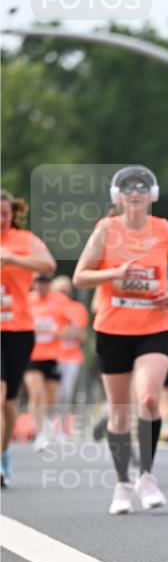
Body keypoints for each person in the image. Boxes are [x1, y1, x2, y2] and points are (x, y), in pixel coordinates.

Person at [73, 165, 168, 514]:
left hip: (155, 325)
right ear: (118, 197)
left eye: (141, 187)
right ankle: (122, 483)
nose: (134, 192)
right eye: (127, 187)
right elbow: (80, 277)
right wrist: (115, 273)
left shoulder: (163, 229)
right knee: (121, 412)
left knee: (150, 397)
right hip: (113, 329)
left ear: (151, 194)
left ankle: (147, 475)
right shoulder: (106, 230)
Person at [0, 188, 56, 485]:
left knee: (8, 402)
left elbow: (48, 265)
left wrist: (12, 259)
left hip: (17, 328)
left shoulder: (24, 241)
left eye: (5, 214)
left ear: (13, 214)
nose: (1, 220)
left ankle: (3, 454)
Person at [25, 275, 71, 450]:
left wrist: (58, 332)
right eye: (38, 282)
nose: (41, 285)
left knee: (51, 397)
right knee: (36, 392)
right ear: (34, 283)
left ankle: (51, 427)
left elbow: (70, 326)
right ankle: (39, 433)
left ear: (49, 284)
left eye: (44, 282)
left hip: (53, 355)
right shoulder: (27, 300)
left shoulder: (59, 301)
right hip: (31, 354)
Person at [52, 275, 90, 424]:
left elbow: (81, 333)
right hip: (51, 355)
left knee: (65, 392)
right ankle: (46, 427)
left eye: (65, 291)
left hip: (71, 357)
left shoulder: (77, 308)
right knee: (50, 393)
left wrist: (63, 331)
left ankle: (61, 426)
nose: (63, 295)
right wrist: (66, 330)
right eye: (59, 292)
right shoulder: (47, 306)